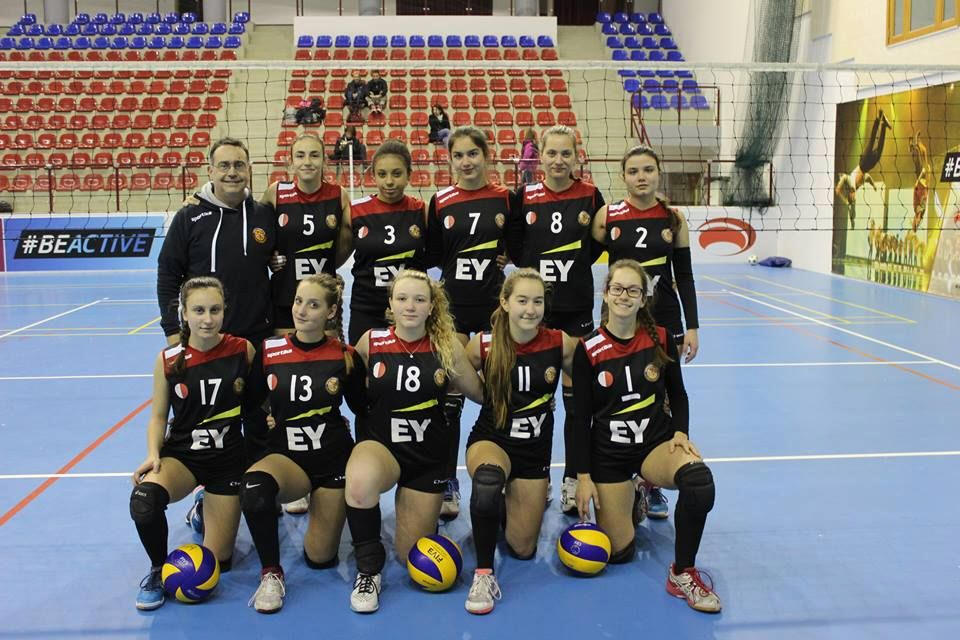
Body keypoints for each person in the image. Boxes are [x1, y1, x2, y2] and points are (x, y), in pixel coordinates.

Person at [573, 259, 721, 613]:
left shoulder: (662, 339)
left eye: (633, 290)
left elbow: (679, 394)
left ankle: (682, 572)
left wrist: (681, 432)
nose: (624, 296)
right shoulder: (588, 349)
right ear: (605, 294)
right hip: (609, 455)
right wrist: (583, 476)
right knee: (619, 553)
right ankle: (635, 493)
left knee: (699, 483)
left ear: (643, 298)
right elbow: (580, 419)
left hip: (654, 445)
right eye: (617, 288)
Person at [344, 269, 484, 613]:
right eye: (402, 298)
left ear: (431, 306)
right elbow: (345, 385)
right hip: (382, 449)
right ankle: (368, 569)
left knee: (411, 556)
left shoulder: (446, 346)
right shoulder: (371, 342)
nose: (410, 306)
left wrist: (528, 395)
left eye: (419, 299)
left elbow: (481, 394)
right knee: (359, 481)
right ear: (390, 303)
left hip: (426, 459)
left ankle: (425, 511)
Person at [156, 137, 277, 530]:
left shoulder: (263, 215)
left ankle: (259, 492)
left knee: (258, 418)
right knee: (205, 426)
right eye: (223, 165)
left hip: (253, 339)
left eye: (239, 165)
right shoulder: (189, 217)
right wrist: (173, 332)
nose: (232, 172)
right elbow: (168, 274)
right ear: (209, 171)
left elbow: (276, 267)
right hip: (205, 342)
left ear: (249, 170)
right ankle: (203, 499)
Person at [241, 274, 366, 613]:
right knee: (254, 489)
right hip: (288, 459)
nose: (302, 310)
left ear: (330, 311)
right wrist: (267, 421)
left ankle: (329, 506)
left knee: (320, 558)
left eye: (313, 304)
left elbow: (364, 409)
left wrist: (363, 463)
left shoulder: (345, 356)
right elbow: (249, 404)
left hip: (332, 462)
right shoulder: (270, 351)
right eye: (299, 301)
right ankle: (271, 573)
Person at [130, 276, 254, 610]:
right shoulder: (169, 360)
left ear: (225, 311)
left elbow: (259, 403)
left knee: (217, 564)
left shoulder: (242, 350)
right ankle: (158, 569)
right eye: (198, 310)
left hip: (227, 461)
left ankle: (204, 507)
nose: (208, 319)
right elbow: (158, 416)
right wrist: (153, 454)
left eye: (215, 310)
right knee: (144, 500)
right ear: (184, 313)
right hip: (183, 458)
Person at [591, 144, 701, 519]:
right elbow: (578, 257)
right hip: (620, 319)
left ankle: (651, 484)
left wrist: (692, 326)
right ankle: (615, 475)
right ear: (623, 177)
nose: (641, 177)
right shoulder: (608, 217)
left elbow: (684, 275)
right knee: (616, 396)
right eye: (634, 171)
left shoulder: (673, 219)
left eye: (648, 170)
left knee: (662, 399)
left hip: (664, 320)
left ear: (658, 173)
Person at [462, 268, 578, 614]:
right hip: (492, 440)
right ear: (505, 302)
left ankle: (507, 502)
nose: (530, 309)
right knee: (487, 482)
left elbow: (590, 388)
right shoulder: (483, 344)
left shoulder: (559, 343)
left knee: (523, 548)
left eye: (537, 301)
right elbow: (455, 382)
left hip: (534, 453)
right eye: (522, 300)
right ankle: (484, 574)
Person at [506, 124, 606, 516]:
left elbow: (596, 244)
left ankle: (572, 479)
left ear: (577, 157)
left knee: (576, 401)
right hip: (535, 314)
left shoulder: (590, 195)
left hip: (576, 310)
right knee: (534, 398)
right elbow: (516, 247)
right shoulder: (524, 196)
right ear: (540, 157)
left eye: (567, 153)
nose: (559, 160)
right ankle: (538, 475)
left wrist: (573, 268)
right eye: (552, 153)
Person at [425, 125, 512, 520]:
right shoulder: (441, 201)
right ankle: (447, 480)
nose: (466, 161)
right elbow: (431, 253)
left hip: (495, 308)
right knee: (450, 398)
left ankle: (507, 472)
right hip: (455, 308)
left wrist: (506, 254)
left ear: (486, 156)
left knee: (504, 391)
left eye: (472, 154)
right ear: (449, 160)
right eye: (458, 155)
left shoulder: (506, 198)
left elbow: (520, 242)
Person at [339, 139, 428, 345]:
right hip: (366, 308)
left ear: (409, 175)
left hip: (411, 309)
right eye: (382, 174)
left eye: (396, 174)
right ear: (373, 175)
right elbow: (335, 258)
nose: (389, 181)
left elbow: (439, 254)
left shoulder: (421, 211)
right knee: (362, 362)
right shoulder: (355, 212)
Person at [835, 109, 891, 227]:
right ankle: (884, 125)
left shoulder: (850, 182)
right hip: (868, 167)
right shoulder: (858, 186)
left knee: (871, 142)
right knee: (879, 152)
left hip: (863, 162)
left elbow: (841, 182)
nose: (854, 197)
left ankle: (878, 119)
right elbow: (868, 177)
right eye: (854, 198)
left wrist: (841, 192)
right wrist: (874, 185)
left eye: (852, 198)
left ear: (849, 195)